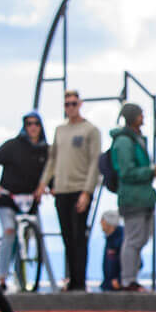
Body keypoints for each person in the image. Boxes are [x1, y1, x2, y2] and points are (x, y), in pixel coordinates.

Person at [39, 89, 102, 291]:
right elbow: (52, 159)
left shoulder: (90, 130)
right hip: (61, 190)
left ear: (80, 104)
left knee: (78, 236)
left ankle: (80, 282)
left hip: (80, 188)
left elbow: (95, 162)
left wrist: (87, 191)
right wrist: (43, 184)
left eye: (74, 103)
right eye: (67, 104)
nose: (70, 107)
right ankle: (71, 279)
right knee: (67, 237)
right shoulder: (60, 130)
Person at [0, 112, 51, 287]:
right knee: (10, 231)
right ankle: (2, 276)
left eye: (36, 123)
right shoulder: (12, 146)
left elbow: (50, 173)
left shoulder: (45, 150)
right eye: (28, 124)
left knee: (26, 239)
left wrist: (51, 187)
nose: (33, 127)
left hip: (30, 201)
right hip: (8, 199)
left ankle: (22, 280)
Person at [107, 102, 156, 291]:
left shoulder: (136, 140)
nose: (143, 118)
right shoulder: (124, 142)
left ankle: (131, 278)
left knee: (140, 239)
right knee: (133, 239)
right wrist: (150, 171)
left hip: (143, 197)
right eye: (140, 115)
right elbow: (126, 171)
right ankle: (128, 280)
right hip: (133, 198)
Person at [98, 210, 128, 291]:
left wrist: (120, 280)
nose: (100, 223)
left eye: (102, 220)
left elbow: (137, 262)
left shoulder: (122, 240)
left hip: (118, 286)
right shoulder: (110, 239)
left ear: (108, 222)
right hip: (109, 285)